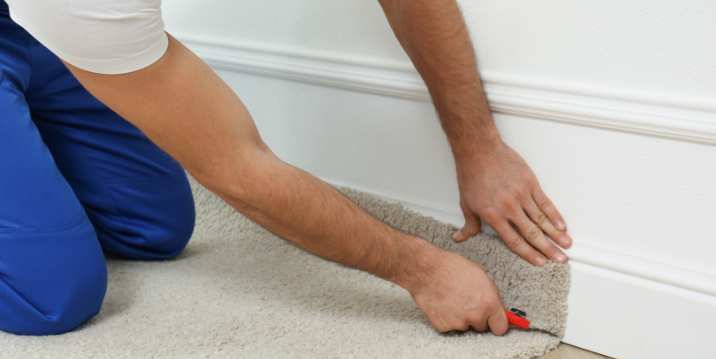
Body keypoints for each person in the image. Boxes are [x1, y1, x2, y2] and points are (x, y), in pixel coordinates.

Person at [0, 0, 572, 337]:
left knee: (151, 229)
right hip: (54, 20)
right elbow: (237, 168)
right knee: (54, 295)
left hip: (34, 31)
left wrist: (479, 146)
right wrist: (424, 272)